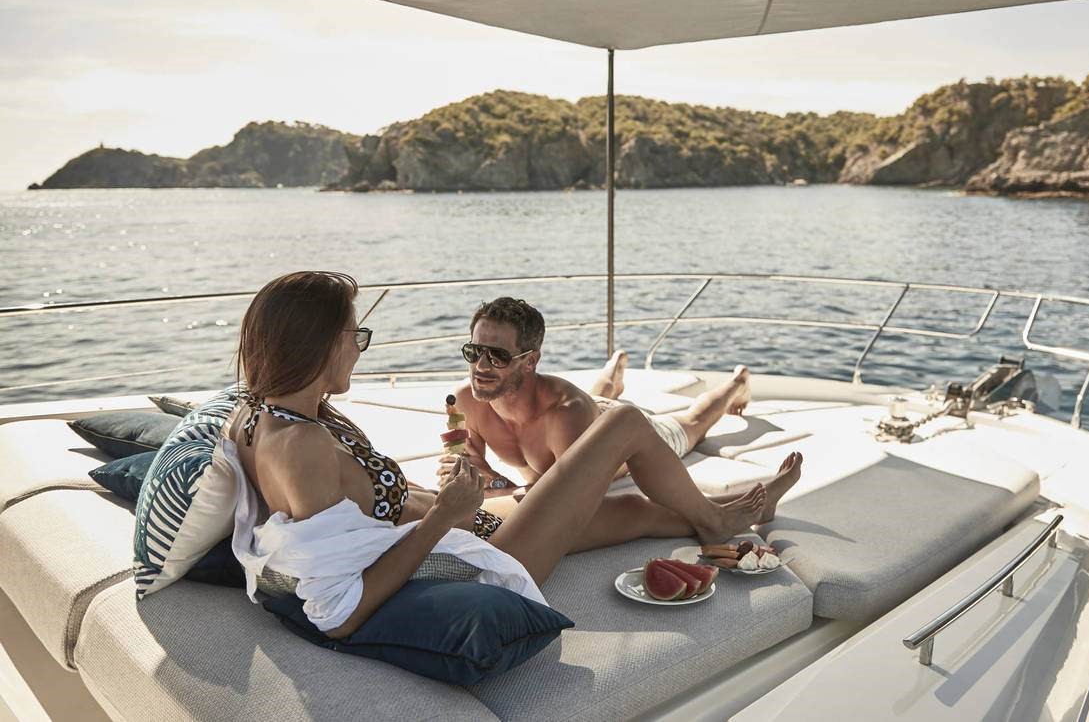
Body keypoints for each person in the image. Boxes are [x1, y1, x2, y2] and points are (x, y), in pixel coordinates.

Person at [225, 271, 800, 640]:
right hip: (475, 552)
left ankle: (734, 508)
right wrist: (447, 515)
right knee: (622, 422)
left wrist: (463, 498)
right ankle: (717, 519)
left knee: (626, 515)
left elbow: (353, 517)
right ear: (316, 344)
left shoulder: (259, 412)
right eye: (356, 335)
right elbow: (339, 614)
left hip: (463, 522)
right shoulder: (298, 444)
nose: (358, 346)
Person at [439, 297, 796, 502]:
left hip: (617, 426)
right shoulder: (465, 401)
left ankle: (736, 382)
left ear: (530, 360)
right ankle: (614, 374)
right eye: (473, 351)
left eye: (497, 355)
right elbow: (463, 467)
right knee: (593, 398)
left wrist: (496, 484)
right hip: (580, 409)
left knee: (691, 425)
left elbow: (558, 501)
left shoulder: (566, 415)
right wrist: (488, 479)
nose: (480, 366)